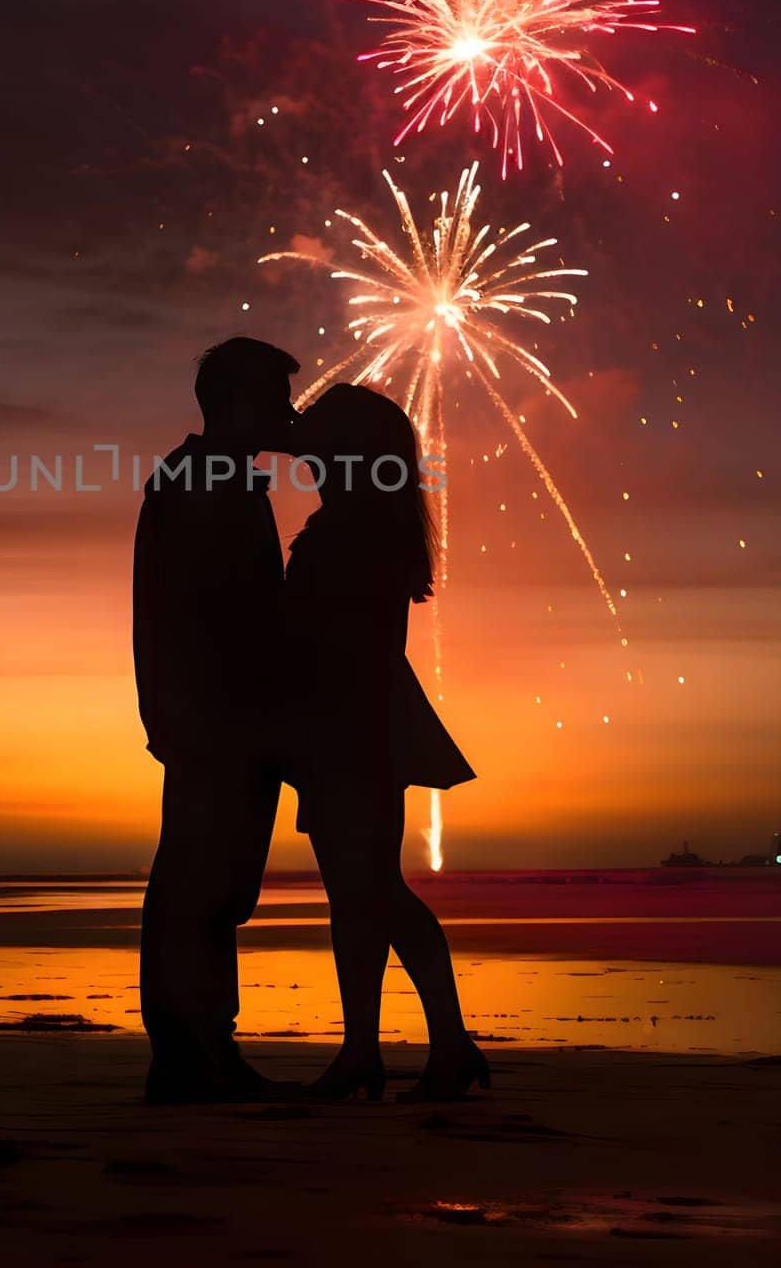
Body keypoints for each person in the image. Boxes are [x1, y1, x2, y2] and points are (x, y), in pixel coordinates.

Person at [285, 383, 488, 1102]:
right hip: (358, 720)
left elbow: (327, 637)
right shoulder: (371, 523)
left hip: (351, 723)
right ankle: (372, 1050)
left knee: (370, 891)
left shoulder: (352, 530)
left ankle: (437, 1045)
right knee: (361, 894)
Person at [133, 336, 299, 1103]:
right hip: (218, 714)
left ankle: (198, 1047)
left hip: (219, 713)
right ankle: (190, 1050)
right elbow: (202, 613)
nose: (288, 414)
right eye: (275, 400)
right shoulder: (202, 484)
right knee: (205, 882)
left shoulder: (213, 480)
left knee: (216, 884)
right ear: (238, 404)